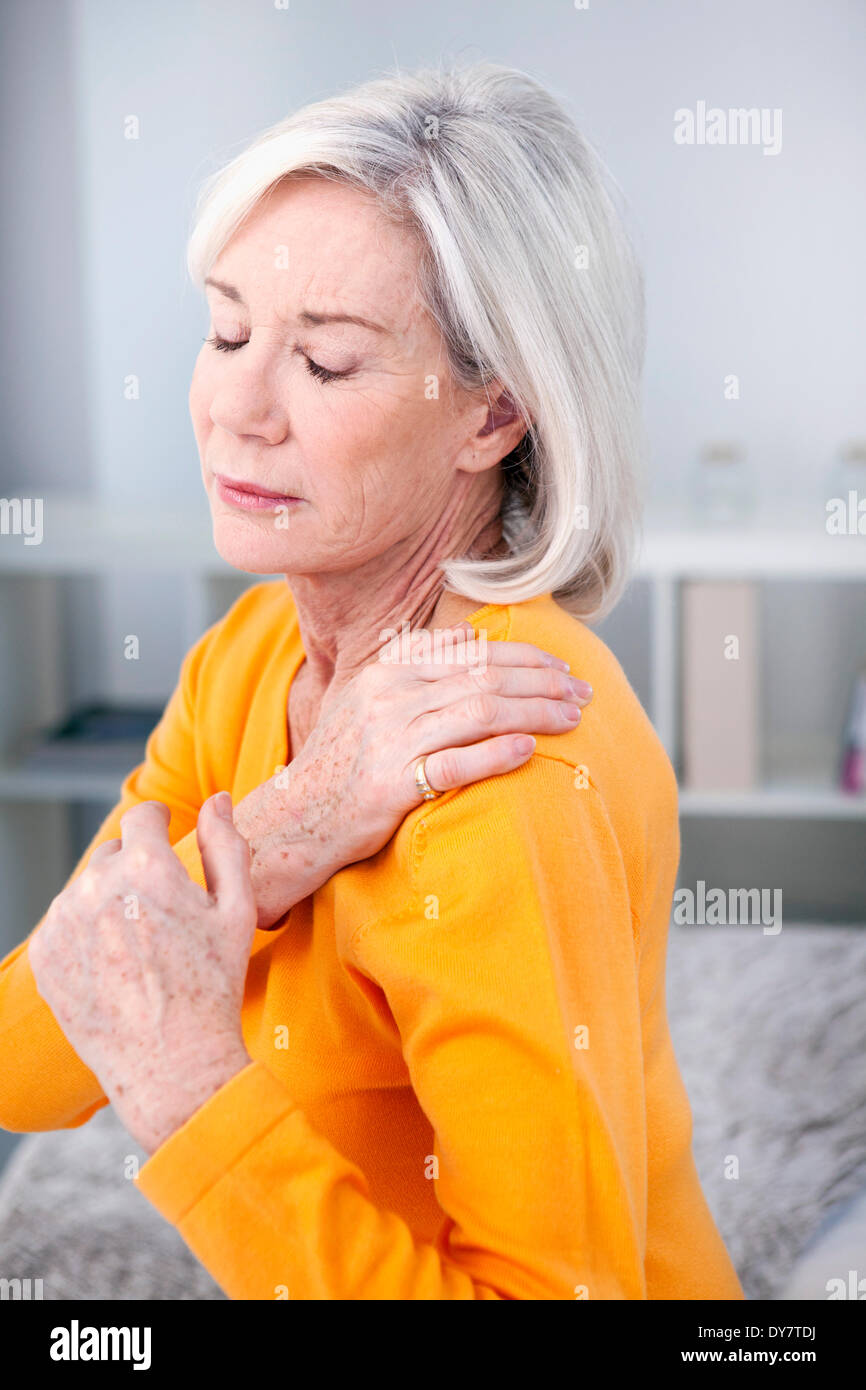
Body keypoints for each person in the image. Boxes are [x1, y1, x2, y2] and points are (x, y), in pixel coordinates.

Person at [0, 61, 743, 1300]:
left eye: (326, 365)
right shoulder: (246, 653)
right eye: (227, 331)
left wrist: (190, 1091)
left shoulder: (499, 780)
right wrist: (285, 830)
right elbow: (27, 1063)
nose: (236, 406)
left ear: (492, 415)